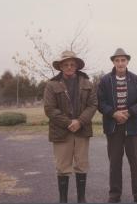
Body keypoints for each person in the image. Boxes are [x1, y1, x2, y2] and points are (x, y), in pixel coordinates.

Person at [97, 48, 137, 203]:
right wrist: (113, 113)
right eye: (117, 60)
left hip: (132, 128)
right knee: (114, 163)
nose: (120, 63)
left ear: (127, 61)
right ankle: (114, 195)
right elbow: (100, 103)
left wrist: (130, 112)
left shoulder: (136, 80)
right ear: (113, 62)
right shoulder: (105, 81)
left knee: (135, 162)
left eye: (123, 60)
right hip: (113, 128)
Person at [44, 50, 97, 203]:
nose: (69, 67)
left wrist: (79, 121)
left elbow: (93, 105)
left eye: (72, 64)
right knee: (62, 167)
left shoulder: (88, 84)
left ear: (77, 66)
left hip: (82, 130)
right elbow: (49, 109)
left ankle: (82, 199)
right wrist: (68, 123)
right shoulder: (51, 85)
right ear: (60, 66)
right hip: (61, 132)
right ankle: (63, 200)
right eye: (65, 64)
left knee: (82, 165)